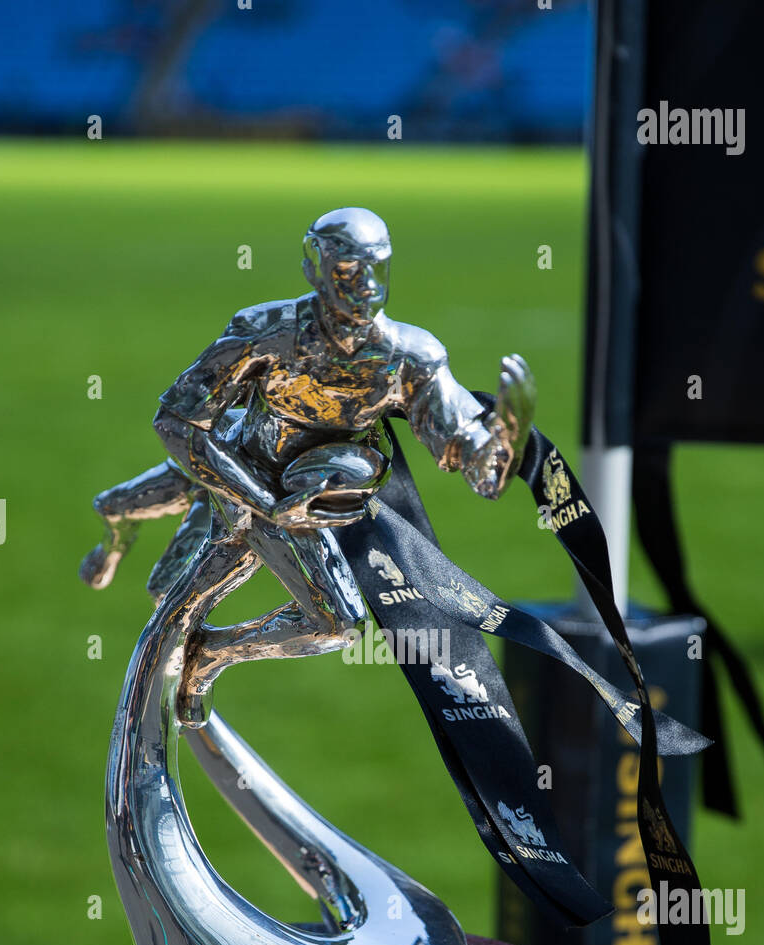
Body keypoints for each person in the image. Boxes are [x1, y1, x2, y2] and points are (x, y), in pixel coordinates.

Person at [80, 207, 535, 723]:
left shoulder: (410, 357)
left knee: (334, 625)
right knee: (126, 520)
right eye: (347, 270)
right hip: (237, 469)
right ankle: (117, 547)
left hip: (303, 498)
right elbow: (178, 424)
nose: (364, 285)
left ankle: (210, 656)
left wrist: (498, 447)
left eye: (375, 268)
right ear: (315, 268)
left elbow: (459, 447)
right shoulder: (265, 333)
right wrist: (264, 500)